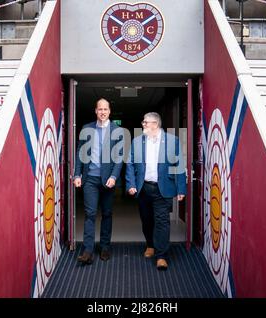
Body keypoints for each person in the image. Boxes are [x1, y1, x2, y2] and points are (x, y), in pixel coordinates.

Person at [126, 112, 186, 270]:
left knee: (162, 222)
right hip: (144, 188)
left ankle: (161, 256)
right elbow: (130, 163)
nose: (143, 125)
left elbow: (179, 165)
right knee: (147, 220)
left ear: (155, 124)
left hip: (163, 188)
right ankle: (150, 245)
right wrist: (130, 184)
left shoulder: (172, 141)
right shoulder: (137, 141)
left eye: (146, 122)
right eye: (144, 122)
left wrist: (181, 188)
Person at [73, 98, 124, 265]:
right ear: (96, 111)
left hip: (108, 181)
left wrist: (114, 177)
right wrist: (77, 175)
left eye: (105, 109)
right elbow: (80, 153)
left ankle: (105, 247)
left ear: (109, 111)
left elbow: (119, 158)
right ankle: (87, 250)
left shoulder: (118, 131)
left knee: (107, 214)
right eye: (100, 109)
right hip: (89, 180)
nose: (102, 112)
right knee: (90, 214)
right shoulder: (87, 128)